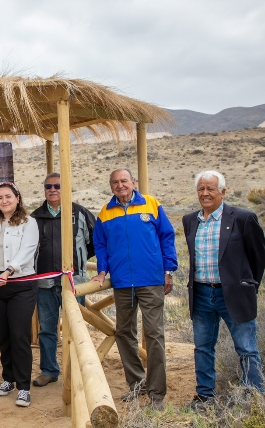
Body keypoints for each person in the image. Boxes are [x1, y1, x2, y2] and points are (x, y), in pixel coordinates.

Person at [91, 168, 177, 410]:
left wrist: (168, 271)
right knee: (124, 334)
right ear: (111, 186)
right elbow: (101, 245)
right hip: (122, 284)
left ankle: (157, 393)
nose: (120, 186)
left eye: (124, 181)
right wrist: (102, 270)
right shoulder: (105, 213)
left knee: (154, 335)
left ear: (133, 182)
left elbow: (167, 238)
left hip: (150, 280)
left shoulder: (151, 205)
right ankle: (136, 384)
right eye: (115, 182)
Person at [183, 170, 265, 409]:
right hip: (200, 294)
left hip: (233, 294)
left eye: (210, 188)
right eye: (201, 189)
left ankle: (253, 395)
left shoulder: (243, 218)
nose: (205, 193)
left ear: (223, 192)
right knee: (202, 348)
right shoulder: (190, 220)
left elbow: (258, 256)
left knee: (246, 348)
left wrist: (249, 285)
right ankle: (205, 396)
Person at [30, 173, 96, 388]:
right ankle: (49, 370)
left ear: (65, 188)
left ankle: (77, 370)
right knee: (47, 329)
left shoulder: (80, 213)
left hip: (73, 282)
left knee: (76, 328)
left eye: (57, 186)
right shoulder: (35, 217)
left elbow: (94, 243)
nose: (53, 189)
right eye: (48, 186)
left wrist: (79, 258)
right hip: (45, 283)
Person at [0, 181, 39, 408]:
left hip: (20, 286)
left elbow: (27, 250)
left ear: (17, 198)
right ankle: (8, 379)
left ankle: (23, 387)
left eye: (8, 197)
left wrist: (9, 271)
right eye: (0, 197)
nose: (4, 201)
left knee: (19, 335)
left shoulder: (28, 222)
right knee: (3, 335)